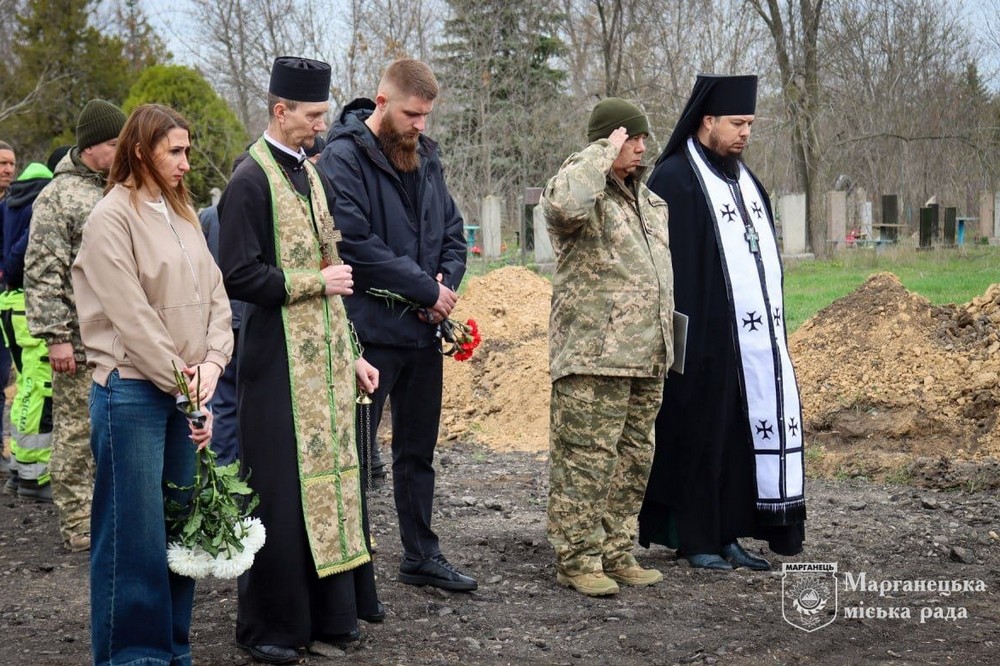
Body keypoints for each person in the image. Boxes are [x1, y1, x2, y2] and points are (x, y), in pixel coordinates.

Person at [218, 56, 381, 665]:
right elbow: (238, 274)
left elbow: (332, 272)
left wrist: (355, 354)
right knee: (281, 496)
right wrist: (314, 281)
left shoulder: (308, 175)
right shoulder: (248, 180)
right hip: (272, 366)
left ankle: (329, 615)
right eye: (312, 116)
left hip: (325, 364)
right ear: (279, 110)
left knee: (331, 486)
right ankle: (271, 627)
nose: (321, 126)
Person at [72, 103, 231, 665]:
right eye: (176, 151)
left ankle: (172, 651)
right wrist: (184, 384)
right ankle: (133, 657)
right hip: (132, 393)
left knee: (179, 537)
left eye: (187, 151)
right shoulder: (110, 219)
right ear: (141, 151)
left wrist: (212, 365)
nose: (187, 162)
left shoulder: (183, 214)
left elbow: (216, 296)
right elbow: (131, 316)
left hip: (184, 391)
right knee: (134, 539)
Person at [317, 58, 475, 592]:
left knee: (417, 453)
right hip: (369, 336)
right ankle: (352, 569)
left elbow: (453, 231)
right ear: (382, 103)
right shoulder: (341, 159)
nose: (420, 125)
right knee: (358, 457)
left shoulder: (426, 156)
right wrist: (426, 289)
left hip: (423, 334)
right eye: (412, 114)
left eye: (427, 115)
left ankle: (421, 555)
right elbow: (355, 244)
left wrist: (443, 292)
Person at [638, 74, 806, 571]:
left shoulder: (745, 181)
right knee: (694, 432)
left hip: (747, 342)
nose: (745, 133)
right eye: (736, 123)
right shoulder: (674, 177)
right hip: (697, 339)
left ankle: (728, 531)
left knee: (735, 436)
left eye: (750, 124)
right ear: (707, 121)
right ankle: (696, 538)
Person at [541, 99, 674, 597]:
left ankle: (616, 550)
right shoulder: (581, 189)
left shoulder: (649, 200)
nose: (640, 147)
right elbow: (564, 208)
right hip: (593, 356)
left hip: (645, 354)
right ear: (606, 140)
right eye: (630, 138)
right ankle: (577, 557)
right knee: (586, 459)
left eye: (641, 139)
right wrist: (600, 152)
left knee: (633, 458)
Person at [25, 99, 126, 552]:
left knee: (112, 429)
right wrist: (56, 338)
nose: (120, 149)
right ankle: (78, 522)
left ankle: (110, 513)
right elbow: (43, 270)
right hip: (79, 339)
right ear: (89, 149)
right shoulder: (58, 196)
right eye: (112, 143)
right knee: (75, 430)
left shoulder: (115, 186)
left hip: (122, 337)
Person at [0, 159, 54, 502]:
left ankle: (19, 468)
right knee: (39, 387)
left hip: (9, 303)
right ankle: (33, 478)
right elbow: (21, 251)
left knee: (25, 385)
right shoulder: (40, 202)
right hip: (28, 306)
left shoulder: (9, 201)